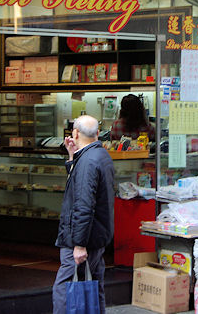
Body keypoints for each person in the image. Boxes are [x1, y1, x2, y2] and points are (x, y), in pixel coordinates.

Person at [52, 115, 114, 314]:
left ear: (76, 133)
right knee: (94, 285)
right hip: (97, 235)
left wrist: (79, 244)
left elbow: (84, 204)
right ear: (97, 133)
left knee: (65, 288)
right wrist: (72, 156)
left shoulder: (88, 161)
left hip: (82, 238)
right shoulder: (99, 155)